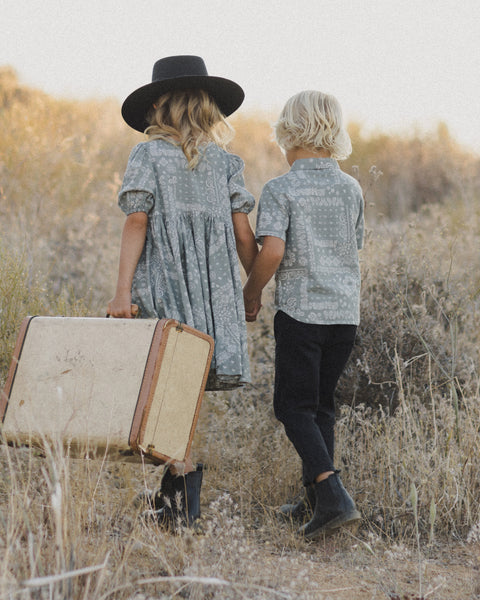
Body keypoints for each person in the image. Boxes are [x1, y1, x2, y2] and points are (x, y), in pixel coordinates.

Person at [108, 55, 257, 530]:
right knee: (184, 390)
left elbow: (137, 221)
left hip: (166, 284)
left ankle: (181, 495)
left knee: (168, 387)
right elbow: (243, 237)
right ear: (208, 108)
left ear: (159, 106)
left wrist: (121, 293)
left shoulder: (146, 156)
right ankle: (174, 500)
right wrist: (252, 291)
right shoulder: (227, 163)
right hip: (214, 294)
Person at [243, 90, 364, 539]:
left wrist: (251, 292)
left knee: (292, 406)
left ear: (288, 131)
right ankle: (315, 501)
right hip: (343, 314)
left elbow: (271, 250)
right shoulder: (351, 187)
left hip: (301, 311)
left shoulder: (281, 188)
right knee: (321, 407)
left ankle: (332, 495)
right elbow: (355, 245)